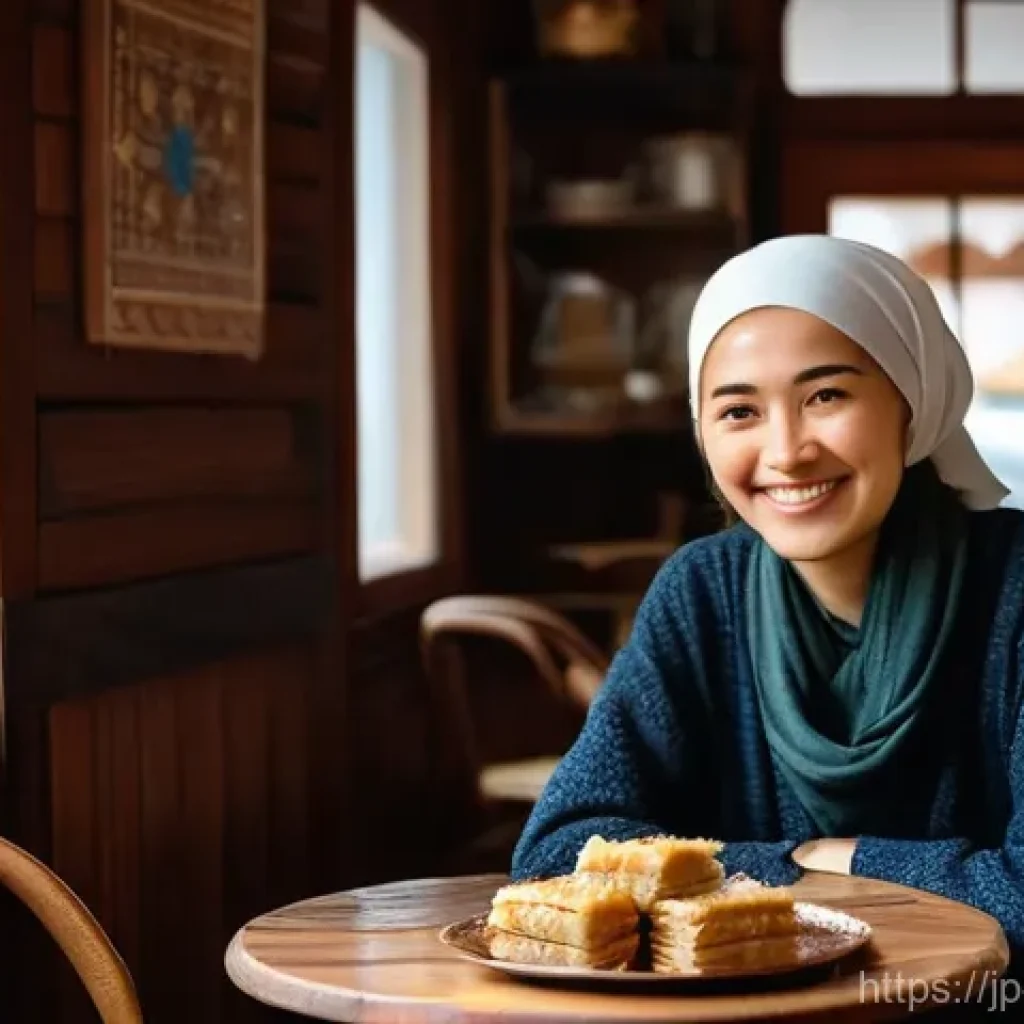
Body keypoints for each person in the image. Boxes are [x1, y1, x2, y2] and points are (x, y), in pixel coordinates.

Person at [509, 234, 1024, 958]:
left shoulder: (1013, 587)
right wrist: (807, 860)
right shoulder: (702, 590)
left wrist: (837, 861)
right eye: (739, 412)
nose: (786, 452)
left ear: (913, 401)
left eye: (826, 396)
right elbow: (559, 856)